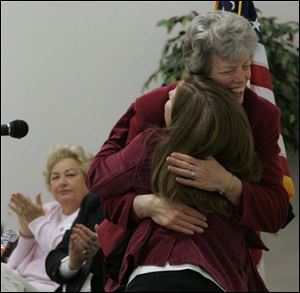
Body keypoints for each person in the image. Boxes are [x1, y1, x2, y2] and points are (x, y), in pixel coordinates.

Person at [86, 11, 289, 291]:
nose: (242, 78)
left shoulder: (261, 116)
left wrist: (226, 182)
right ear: (199, 73)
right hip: (150, 253)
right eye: (228, 71)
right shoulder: (154, 107)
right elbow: (104, 188)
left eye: (245, 66)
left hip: (222, 255)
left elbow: (276, 212)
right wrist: (146, 205)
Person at [1, 144, 93, 292]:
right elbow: (12, 266)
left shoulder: (90, 214)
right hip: (21, 282)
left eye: (70, 175)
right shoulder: (47, 210)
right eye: (55, 177)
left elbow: (66, 254)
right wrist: (27, 235)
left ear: (87, 179)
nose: (62, 182)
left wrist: (37, 222)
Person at [46, 193, 106, 292]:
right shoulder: (94, 200)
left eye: (71, 176)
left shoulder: (138, 208)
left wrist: (101, 251)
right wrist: (72, 263)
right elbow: (56, 256)